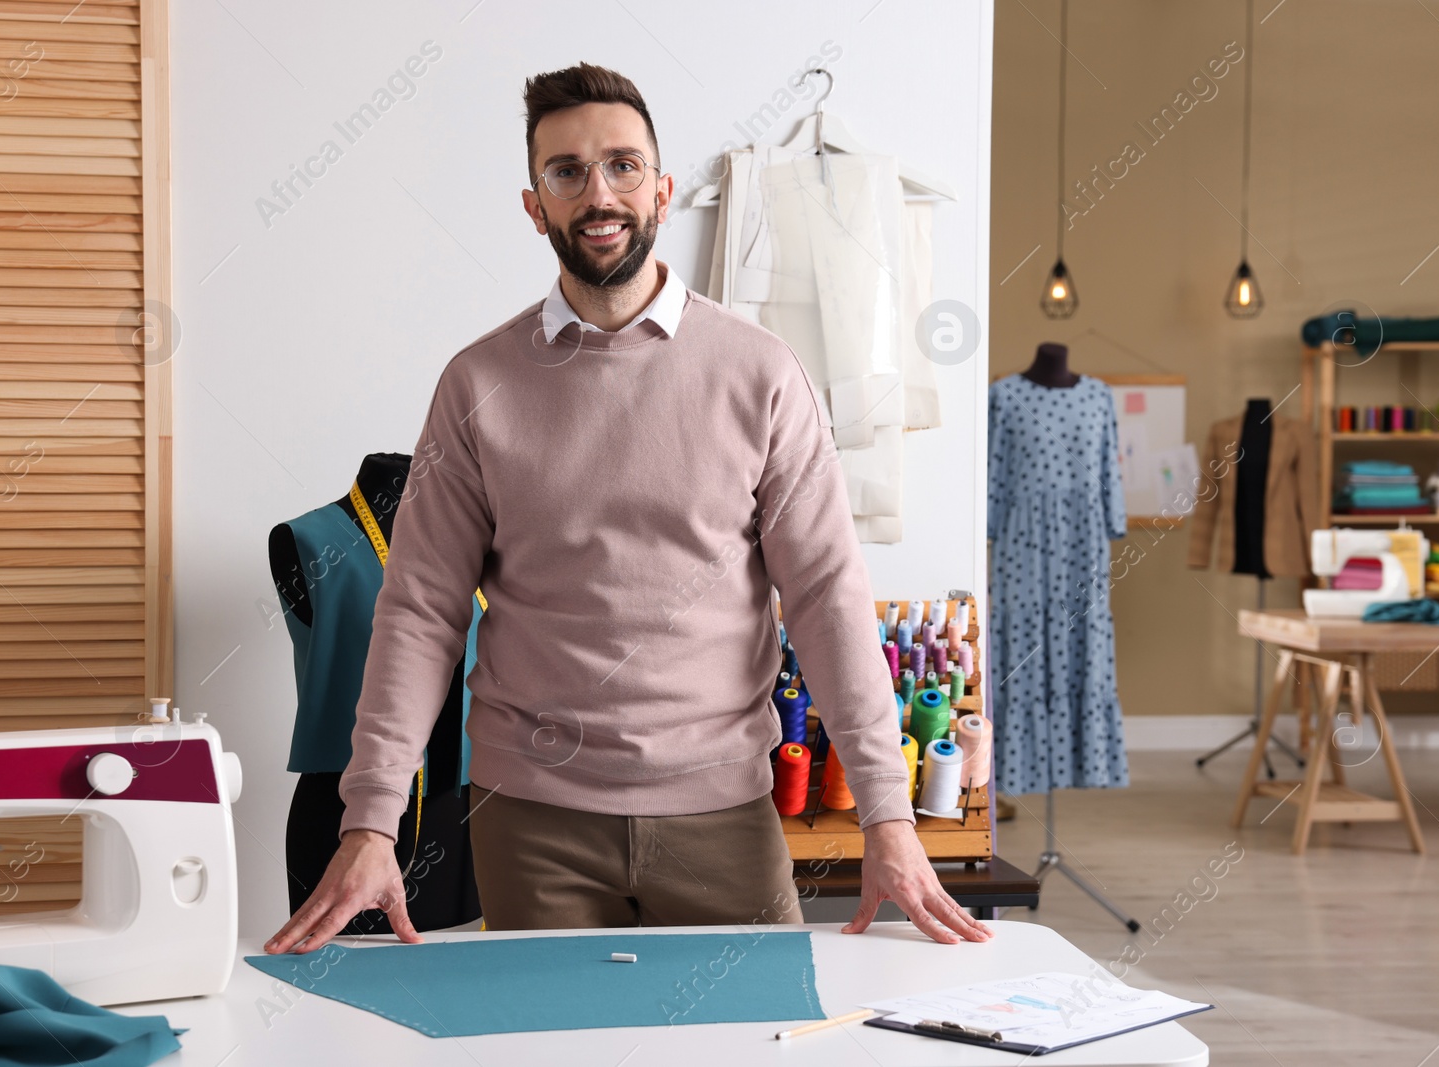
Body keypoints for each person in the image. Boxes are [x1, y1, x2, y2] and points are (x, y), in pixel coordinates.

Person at [265, 62, 992, 955]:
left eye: (621, 165)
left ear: (662, 187)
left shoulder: (760, 372)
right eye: (565, 171)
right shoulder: (478, 383)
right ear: (535, 205)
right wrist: (371, 822)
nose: (597, 191)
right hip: (532, 820)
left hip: (723, 812)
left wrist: (888, 812)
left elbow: (829, 599)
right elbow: (420, 612)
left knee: (748, 1045)